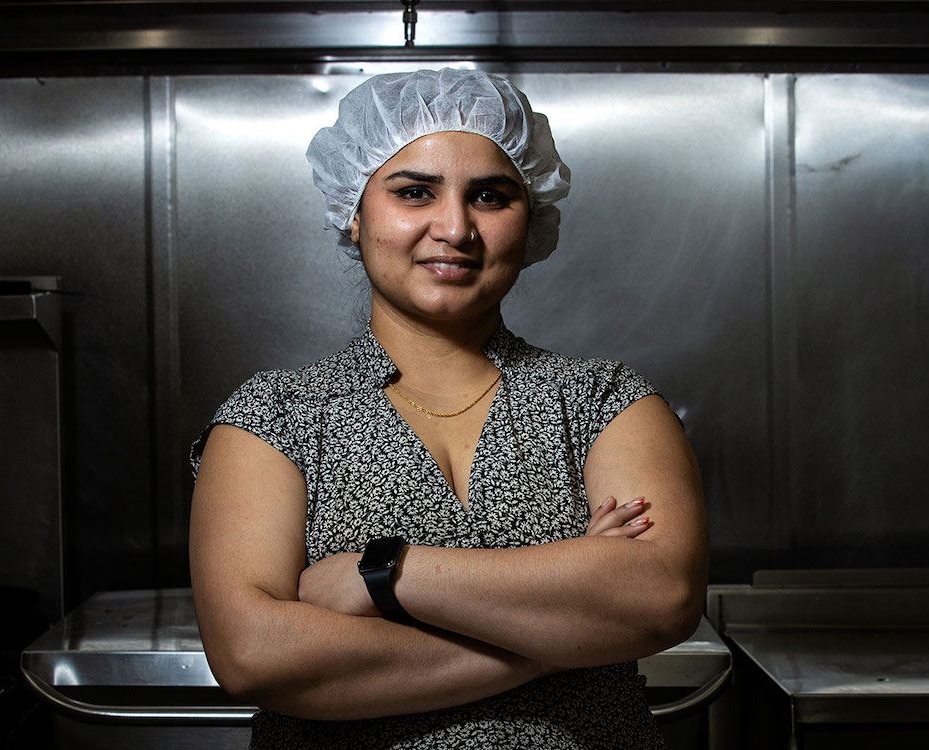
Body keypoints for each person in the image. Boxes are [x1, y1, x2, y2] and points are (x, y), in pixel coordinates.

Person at [189, 68, 708, 749]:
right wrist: (563, 638)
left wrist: (383, 574)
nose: (456, 227)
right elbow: (255, 657)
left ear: (531, 217)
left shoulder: (604, 402)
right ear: (355, 210)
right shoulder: (274, 419)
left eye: (491, 196)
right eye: (415, 192)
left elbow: (660, 597)